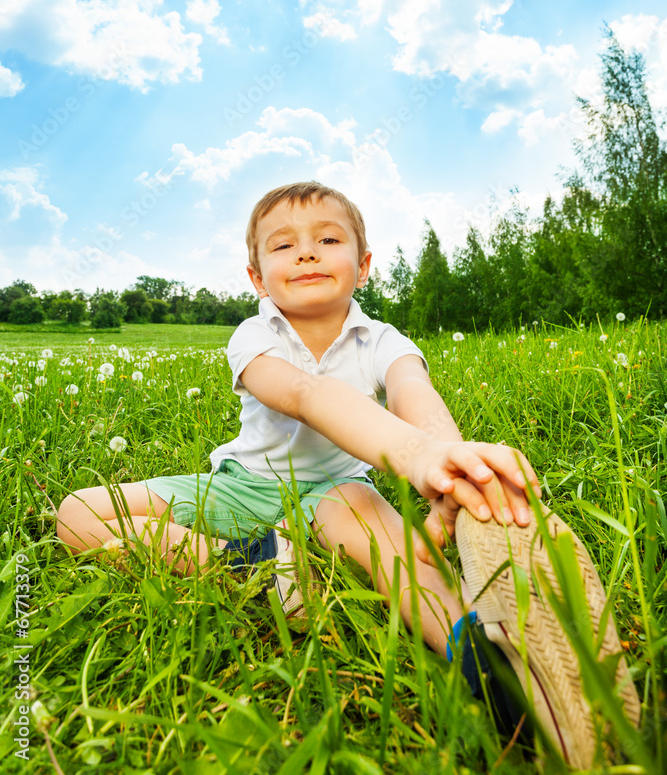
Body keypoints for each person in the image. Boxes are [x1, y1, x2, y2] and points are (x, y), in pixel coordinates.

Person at [57, 180, 640, 767]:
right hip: (239, 487)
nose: (306, 252)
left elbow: (415, 393)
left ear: (362, 267)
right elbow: (304, 394)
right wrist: (412, 457)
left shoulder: (385, 341)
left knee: (381, 530)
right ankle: (251, 565)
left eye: (327, 239)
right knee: (77, 514)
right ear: (258, 278)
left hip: (334, 497)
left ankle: (483, 658)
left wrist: (450, 466)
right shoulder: (255, 335)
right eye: (283, 246)